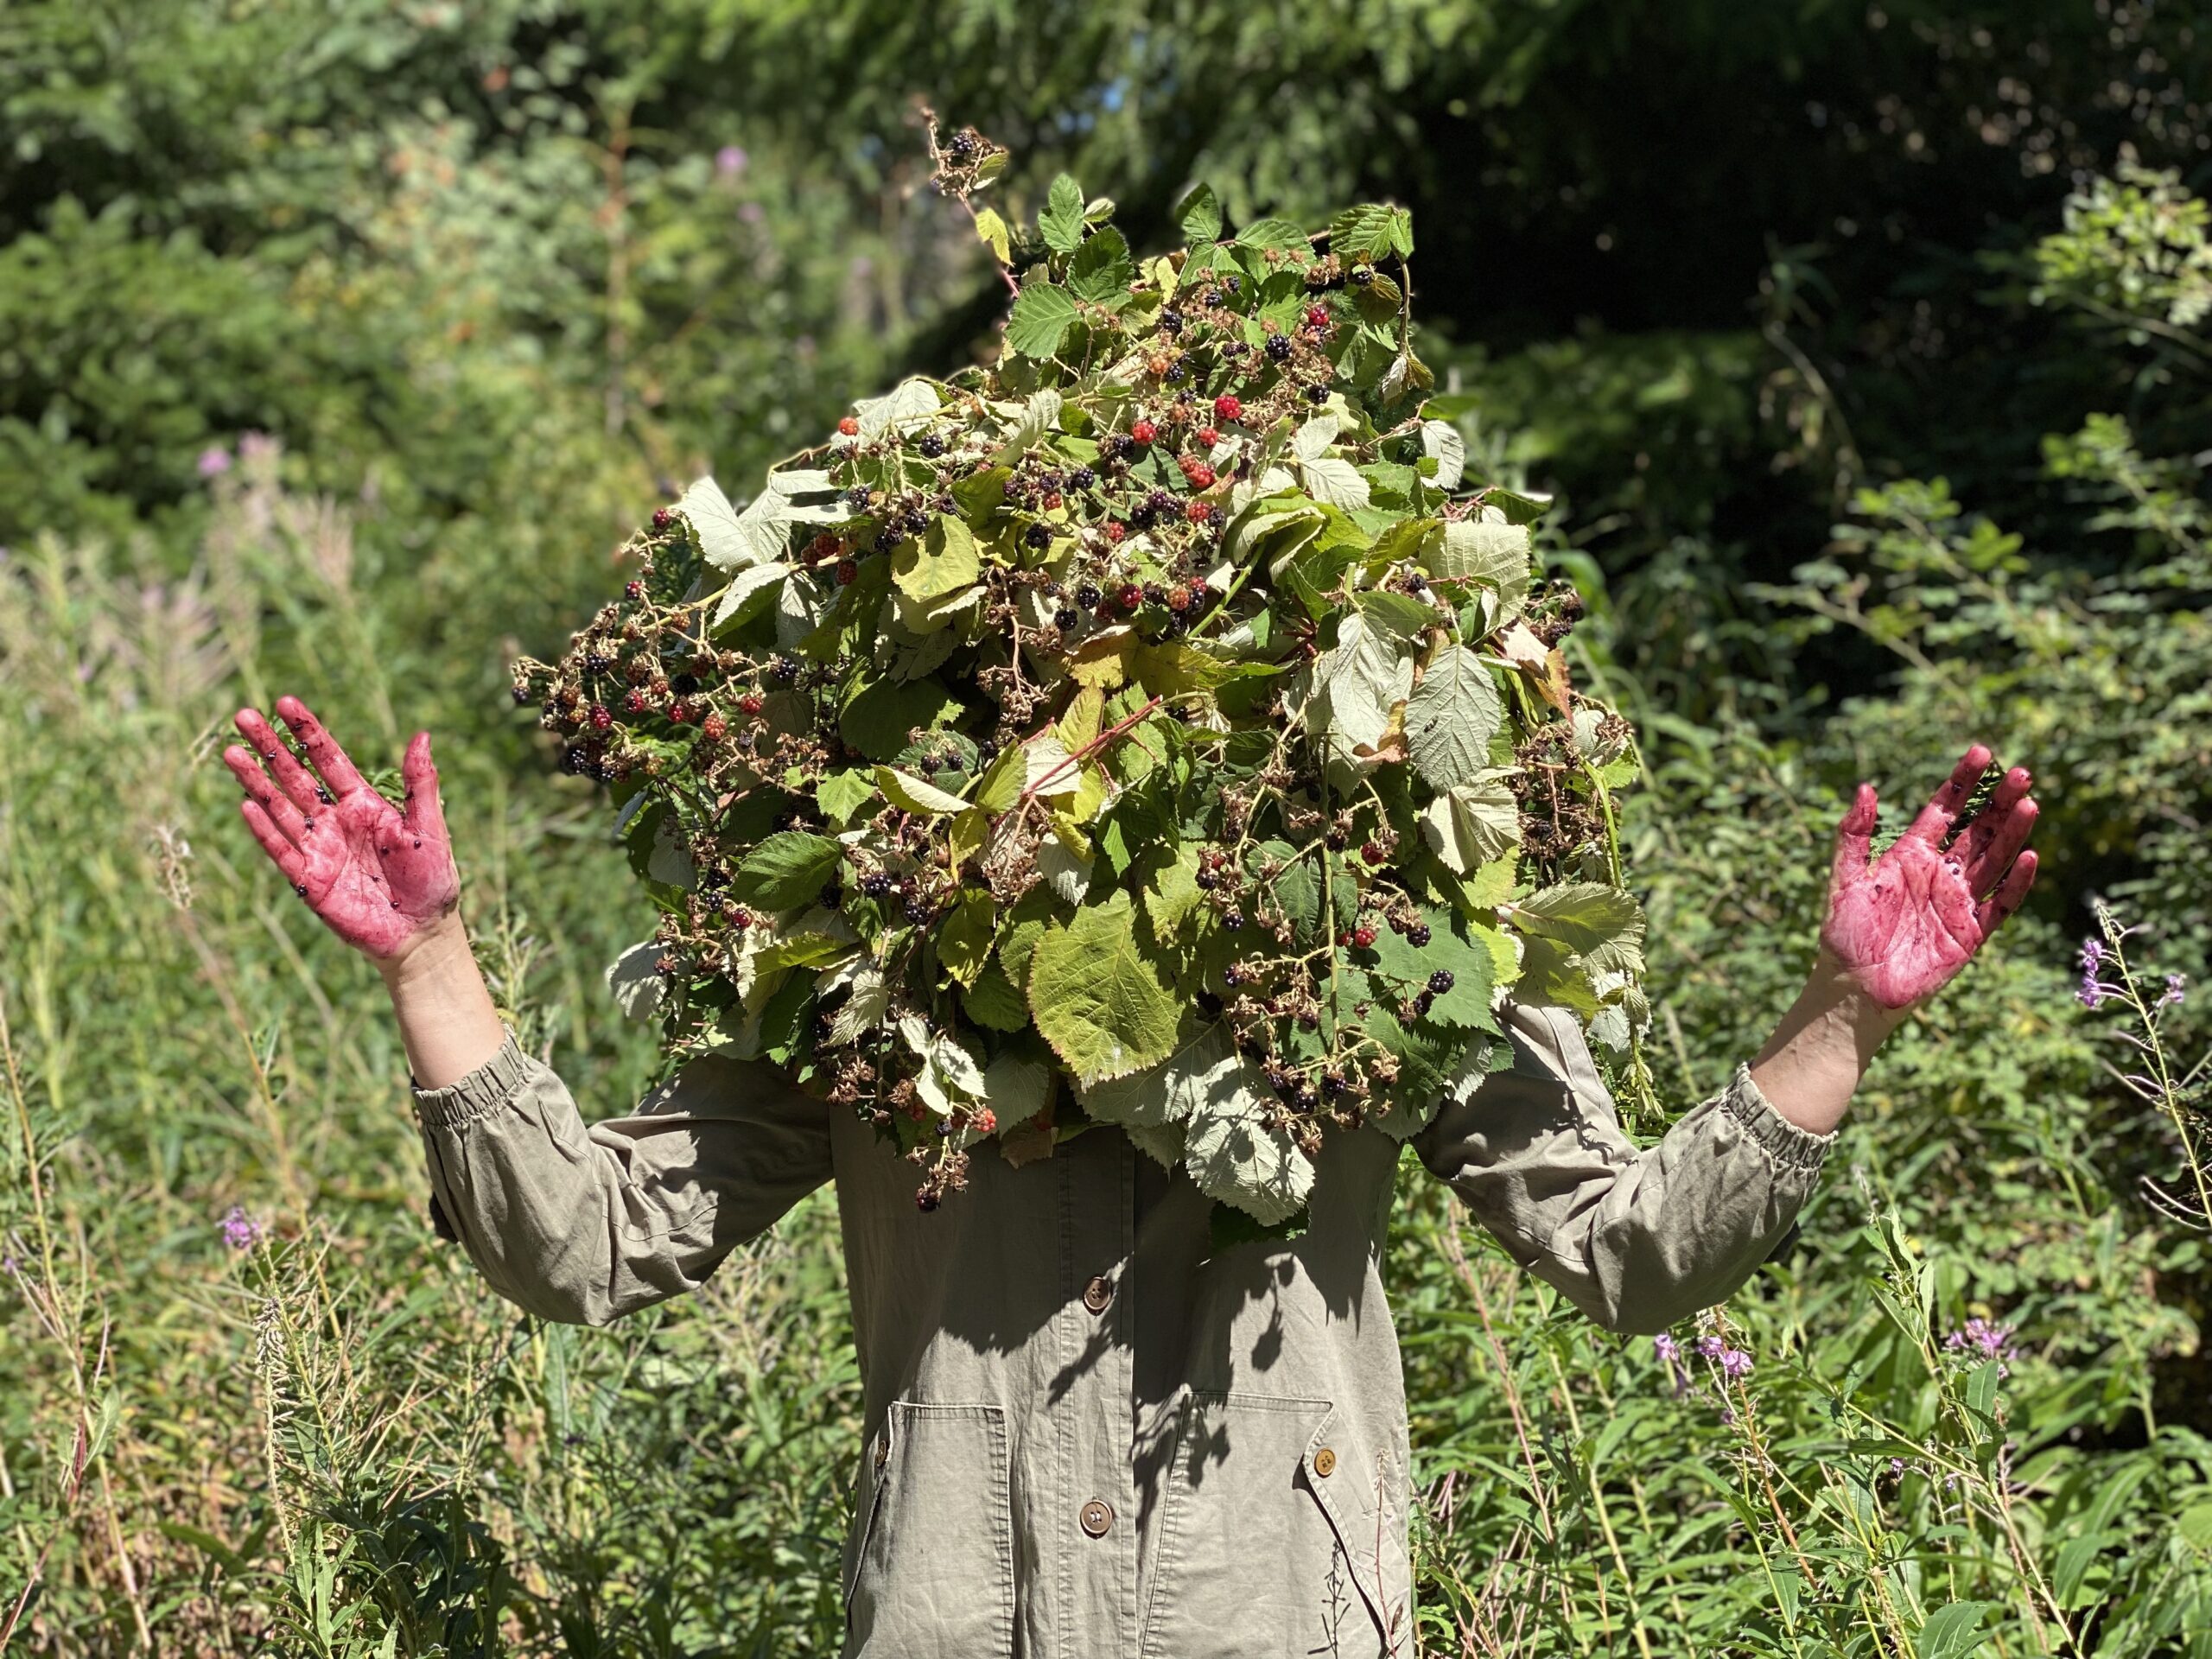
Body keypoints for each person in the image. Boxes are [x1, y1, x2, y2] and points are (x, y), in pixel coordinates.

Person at [224, 695, 2038, 1658]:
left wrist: (1838, 1022)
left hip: (1276, 1621)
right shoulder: (864, 974)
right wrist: (428, 965)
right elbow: (588, 1246)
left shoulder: (1381, 952)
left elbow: (1621, 1249)